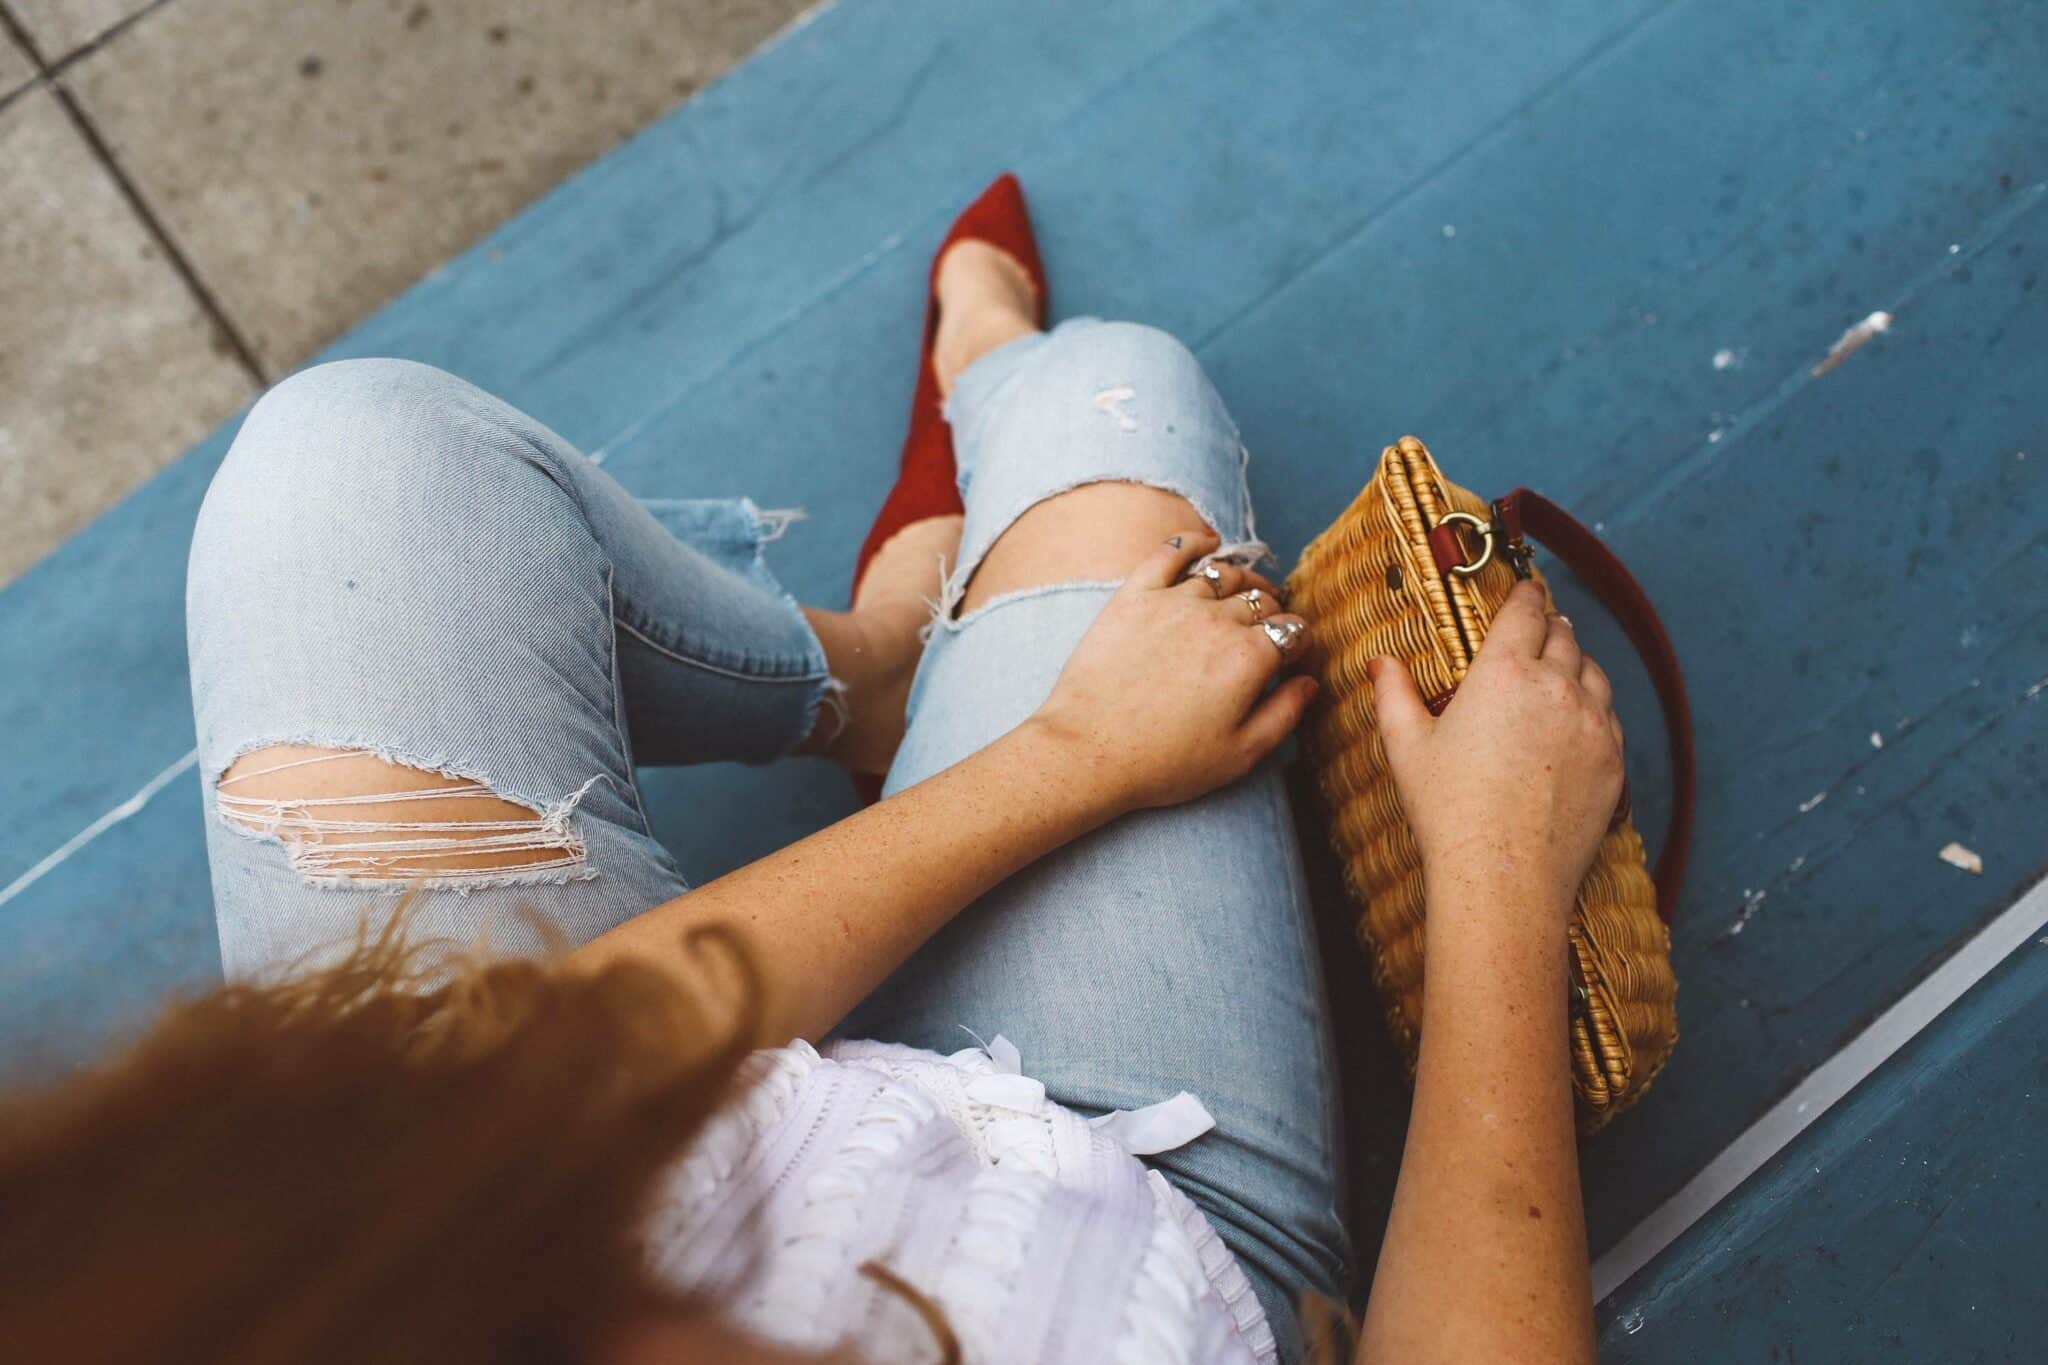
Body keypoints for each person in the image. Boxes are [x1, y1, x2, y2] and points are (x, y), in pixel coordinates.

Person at [0, 177, 1620, 1364]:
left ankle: (876, 671)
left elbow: (522, 1077)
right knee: (1107, 389)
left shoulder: (330, 1270)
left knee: (345, 466)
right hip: (1107, 1246)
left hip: (766, 1123)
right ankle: (989, 438)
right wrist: (1497, 879)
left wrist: (1070, 754)